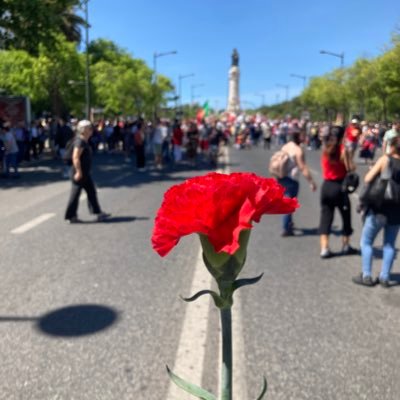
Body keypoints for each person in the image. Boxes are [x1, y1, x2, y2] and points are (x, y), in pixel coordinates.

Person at [353, 137, 400, 287]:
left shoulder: (385, 160)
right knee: (389, 244)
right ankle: (385, 277)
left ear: (392, 147)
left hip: (379, 206)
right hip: (397, 209)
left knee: (366, 241)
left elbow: (368, 178)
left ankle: (367, 275)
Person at [319, 126, 357, 258]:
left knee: (326, 217)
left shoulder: (325, 149)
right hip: (340, 186)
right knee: (346, 216)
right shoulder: (343, 150)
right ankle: (346, 245)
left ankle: (324, 248)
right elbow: (351, 167)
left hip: (327, 186)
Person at [64, 120, 110, 223]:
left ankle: (98, 213)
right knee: (75, 194)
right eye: (89, 128)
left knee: (91, 192)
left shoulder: (83, 141)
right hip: (79, 173)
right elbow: (75, 157)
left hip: (84, 173)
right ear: (84, 130)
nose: (91, 130)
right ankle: (70, 216)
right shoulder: (80, 141)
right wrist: (79, 172)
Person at [278, 131, 317, 236]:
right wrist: (311, 182)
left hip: (281, 177)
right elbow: (302, 167)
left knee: (286, 201)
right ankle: (286, 227)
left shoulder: (285, 147)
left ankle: (288, 223)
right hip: (292, 178)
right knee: (289, 203)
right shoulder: (298, 150)